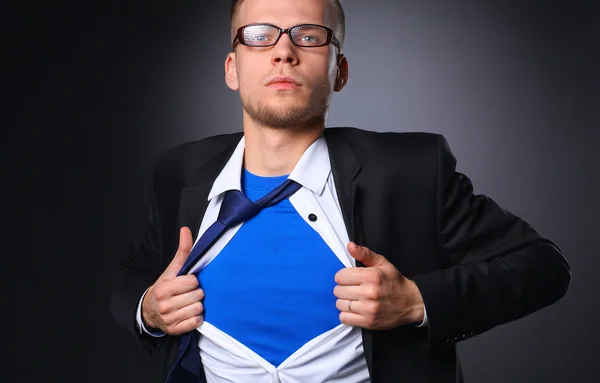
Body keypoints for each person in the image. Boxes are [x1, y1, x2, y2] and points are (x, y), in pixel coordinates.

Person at [110, 0, 572, 382]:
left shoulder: (412, 172)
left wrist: (416, 301)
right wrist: (148, 309)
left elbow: (545, 266)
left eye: (308, 36)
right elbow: (136, 273)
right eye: (258, 35)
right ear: (232, 68)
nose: (283, 52)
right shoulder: (180, 171)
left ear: (340, 70)